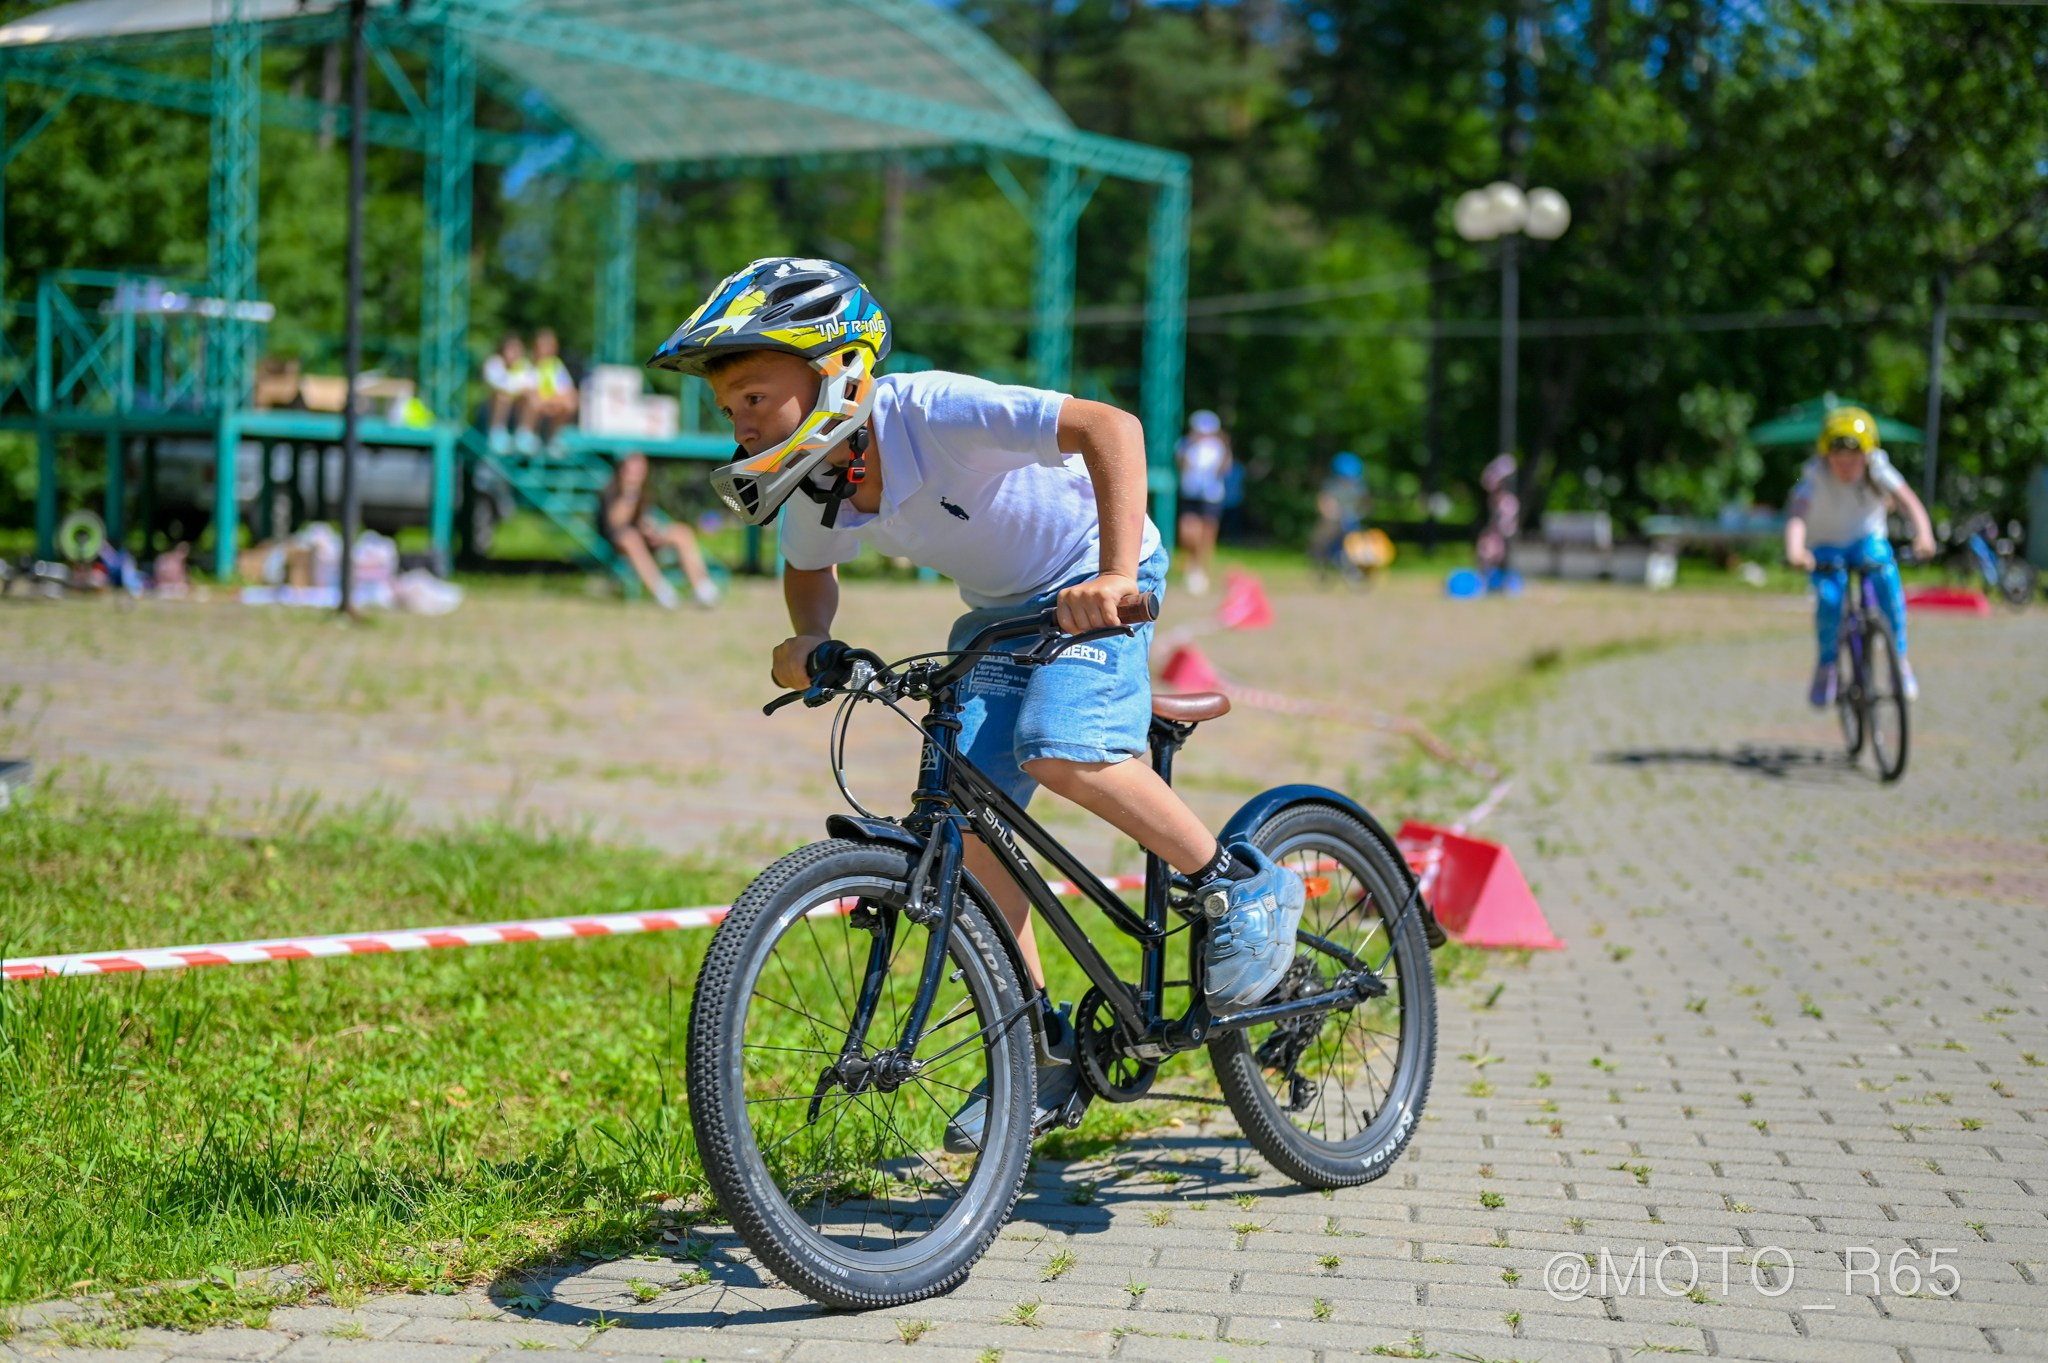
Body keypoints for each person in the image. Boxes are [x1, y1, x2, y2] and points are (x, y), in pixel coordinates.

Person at [648, 256, 1306, 1148]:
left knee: (1059, 745)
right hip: (1000, 612)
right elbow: (811, 573)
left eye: (754, 397)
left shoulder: (932, 411)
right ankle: (1039, 1050)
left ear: (837, 367)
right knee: (966, 812)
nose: (739, 423)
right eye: (730, 409)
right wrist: (811, 640)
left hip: (1094, 572)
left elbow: (1109, 427)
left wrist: (1113, 575)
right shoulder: (819, 477)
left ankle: (1239, 883)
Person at [1783, 406, 1935, 704]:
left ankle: (1899, 662)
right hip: (1825, 544)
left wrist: (1924, 535)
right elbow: (1797, 514)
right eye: (1839, 460)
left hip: (1866, 540)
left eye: (1853, 461)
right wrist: (1796, 551)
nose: (1846, 467)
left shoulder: (1879, 467)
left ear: (1866, 456)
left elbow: (1910, 503)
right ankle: (1827, 665)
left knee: (1887, 579)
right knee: (1829, 600)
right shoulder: (1813, 474)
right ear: (1827, 456)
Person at [597, 450, 719, 609]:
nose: (637, 471)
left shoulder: (644, 492)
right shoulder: (611, 491)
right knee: (630, 537)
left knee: (682, 532)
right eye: (634, 467)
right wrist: (630, 491)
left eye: (641, 467)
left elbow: (643, 519)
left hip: (642, 537)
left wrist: (652, 530)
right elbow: (616, 523)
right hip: (619, 542)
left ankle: (703, 588)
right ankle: (662, 592)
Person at [1175, 410, 1231, 594]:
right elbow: (1181, 465)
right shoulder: (1185, 445)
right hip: (1190, 493)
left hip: (1211, 495)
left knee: (1207, 534)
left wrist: (1225, 448)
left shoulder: (1218, 447)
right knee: (1188, 533)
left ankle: (1201, 570)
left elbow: (1225, 469)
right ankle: (1192, 565)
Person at [1309, 451, 1369, 579]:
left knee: (1357, 537)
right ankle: (1320, 558)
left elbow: (1365, 501)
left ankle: (1354, 564)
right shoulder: (1332, 485)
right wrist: (1329, 512)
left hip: (1351, 517)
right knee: (1326, 534)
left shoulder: (1358, 486)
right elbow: (1324, 500)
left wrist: (1363, 511)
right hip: (1335, 518)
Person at [482, 334, 536, 455]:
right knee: (502, 397)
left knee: (532, 398)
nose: (514, 353)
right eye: (511, 349)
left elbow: (532, 388)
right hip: (491, 409)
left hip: (517, 408)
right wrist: (518, 390)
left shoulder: (525, 365)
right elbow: (497, 388)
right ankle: (496, 433)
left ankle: (524, 435)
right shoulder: (494, 363)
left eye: (517, 349)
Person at [1476, 453, 1521, 592]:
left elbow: (1508, 526)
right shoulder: (1496, 500)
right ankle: (1486, 584)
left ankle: (1501, 584)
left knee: (1494, 555)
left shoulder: (1507, 502)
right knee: (1485, 552)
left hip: (1503, 537)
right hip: (1497, 536)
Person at [530, 328, 580, 451]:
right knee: (533, 401)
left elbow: (569, 391)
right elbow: (529, 392)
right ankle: (529, 436)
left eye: (550, 346)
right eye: (543, 346)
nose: (546, 350)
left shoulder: (556, 366)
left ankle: (554, 439)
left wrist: (550, 402)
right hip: (530, 408)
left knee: (570, 402)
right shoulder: (528, 365)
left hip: (549, 406)